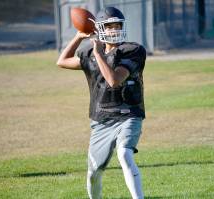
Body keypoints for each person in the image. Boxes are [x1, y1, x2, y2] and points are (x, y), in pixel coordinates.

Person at [56, 6, 146, 199]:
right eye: (110, 26)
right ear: (100, 29)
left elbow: (114, 80)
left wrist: (98, 54)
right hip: (101, 120)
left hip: (128, 114)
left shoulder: (133, 50)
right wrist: (80, 36)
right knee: (94, 173)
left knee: (124, 153)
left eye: (117, 25)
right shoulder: (89, 53)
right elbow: (62, 61)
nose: (114, 30)